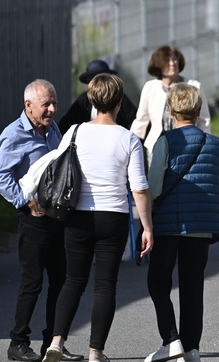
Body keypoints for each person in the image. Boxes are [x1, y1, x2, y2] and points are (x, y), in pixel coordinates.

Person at [35, 74, 153, 362]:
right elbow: (138, 187)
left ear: (90, 100)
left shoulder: (74, 132)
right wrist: (147, 227)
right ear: (120, 102)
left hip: (77, 216)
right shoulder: (129, 139)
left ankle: (55, 343)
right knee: (105, 285)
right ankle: (95, 351)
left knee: (72, 281)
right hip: (113, 217)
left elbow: (56, 170)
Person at [0, 80, 83, 362]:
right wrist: (24, 200)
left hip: (57, 217)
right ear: (28, 106)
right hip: (33, 221)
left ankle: (52, 344)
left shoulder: (52, 128)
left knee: (60, 279)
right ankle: (18, 343)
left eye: (54, 103)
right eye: (46, 104)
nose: (53, 109)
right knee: (32, 282)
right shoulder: (14, 135)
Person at [144, 83, 219, 362]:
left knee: (158, 281)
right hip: (202, 224)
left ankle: (171, 339)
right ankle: (192, 348)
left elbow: (154, 186)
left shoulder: (166, 141)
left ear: (171, 110)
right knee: (193, 286)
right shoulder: (215, 143)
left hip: (168, 224)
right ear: (198, 109)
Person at [130, 46, 211, 164]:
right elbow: (141, 120)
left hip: (189, 146)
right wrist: (129, 143)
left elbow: (204, 120)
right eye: (167, 60)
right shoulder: (150, 87)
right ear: (158, 64)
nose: (172, 63)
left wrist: (204, 144)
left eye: (175, 59)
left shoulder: (194, 86)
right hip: (157, 146)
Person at [59, 59, 138, 134]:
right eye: (95, 80)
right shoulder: (83, 100)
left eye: (103, 80)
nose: (99, 85)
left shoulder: (117, 97)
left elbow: (135, 120)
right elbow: (65, 125)